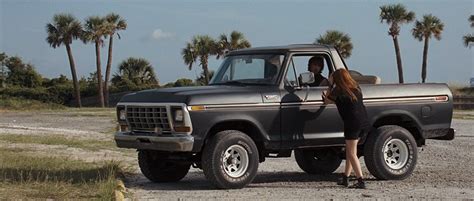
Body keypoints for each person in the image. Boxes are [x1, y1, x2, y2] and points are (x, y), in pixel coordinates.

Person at [322, 68, 369, 189]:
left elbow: (327, 101)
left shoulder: (338, 90)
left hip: (351, 124)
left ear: (337, 79)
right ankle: (345, 178)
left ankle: (361, 180)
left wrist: (329, 85)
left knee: (352, 153)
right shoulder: (356, 89)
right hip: (363, 122)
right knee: (349, 151)